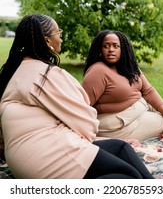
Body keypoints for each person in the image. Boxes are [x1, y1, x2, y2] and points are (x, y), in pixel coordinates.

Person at [0, 14, 153, 179]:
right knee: (129, 177)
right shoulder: (46, 75)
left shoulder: (12, 71)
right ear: (47, 40)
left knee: (121, 148)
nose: (61, 37)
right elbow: (84, 120)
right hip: (49, 156)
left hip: (19, 156)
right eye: (58, 32)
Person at [82, 30, 163, 141]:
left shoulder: (129, 67)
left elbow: (148, 91)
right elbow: (81, 106)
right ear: (100, 49)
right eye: (106, 46)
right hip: (121, 124)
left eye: (116, 46)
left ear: (123, 49)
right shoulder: (98, 71)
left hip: (141, 108)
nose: (111, 50)